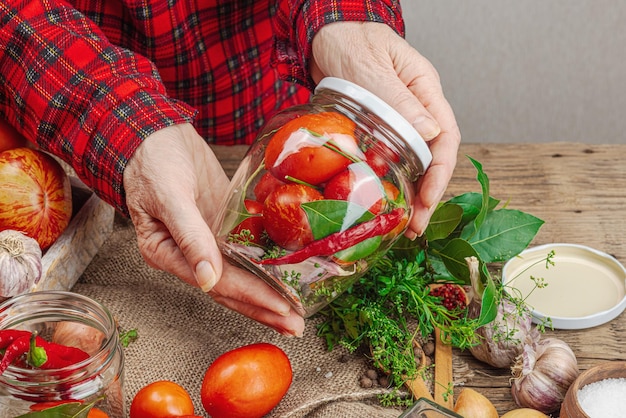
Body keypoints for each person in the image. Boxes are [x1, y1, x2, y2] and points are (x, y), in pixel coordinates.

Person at [0, 1, 460, 337]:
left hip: (256, 91)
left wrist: (343, 16)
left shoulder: (316, 143)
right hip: (69, 90)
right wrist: (119, 121)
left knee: (276, 173)